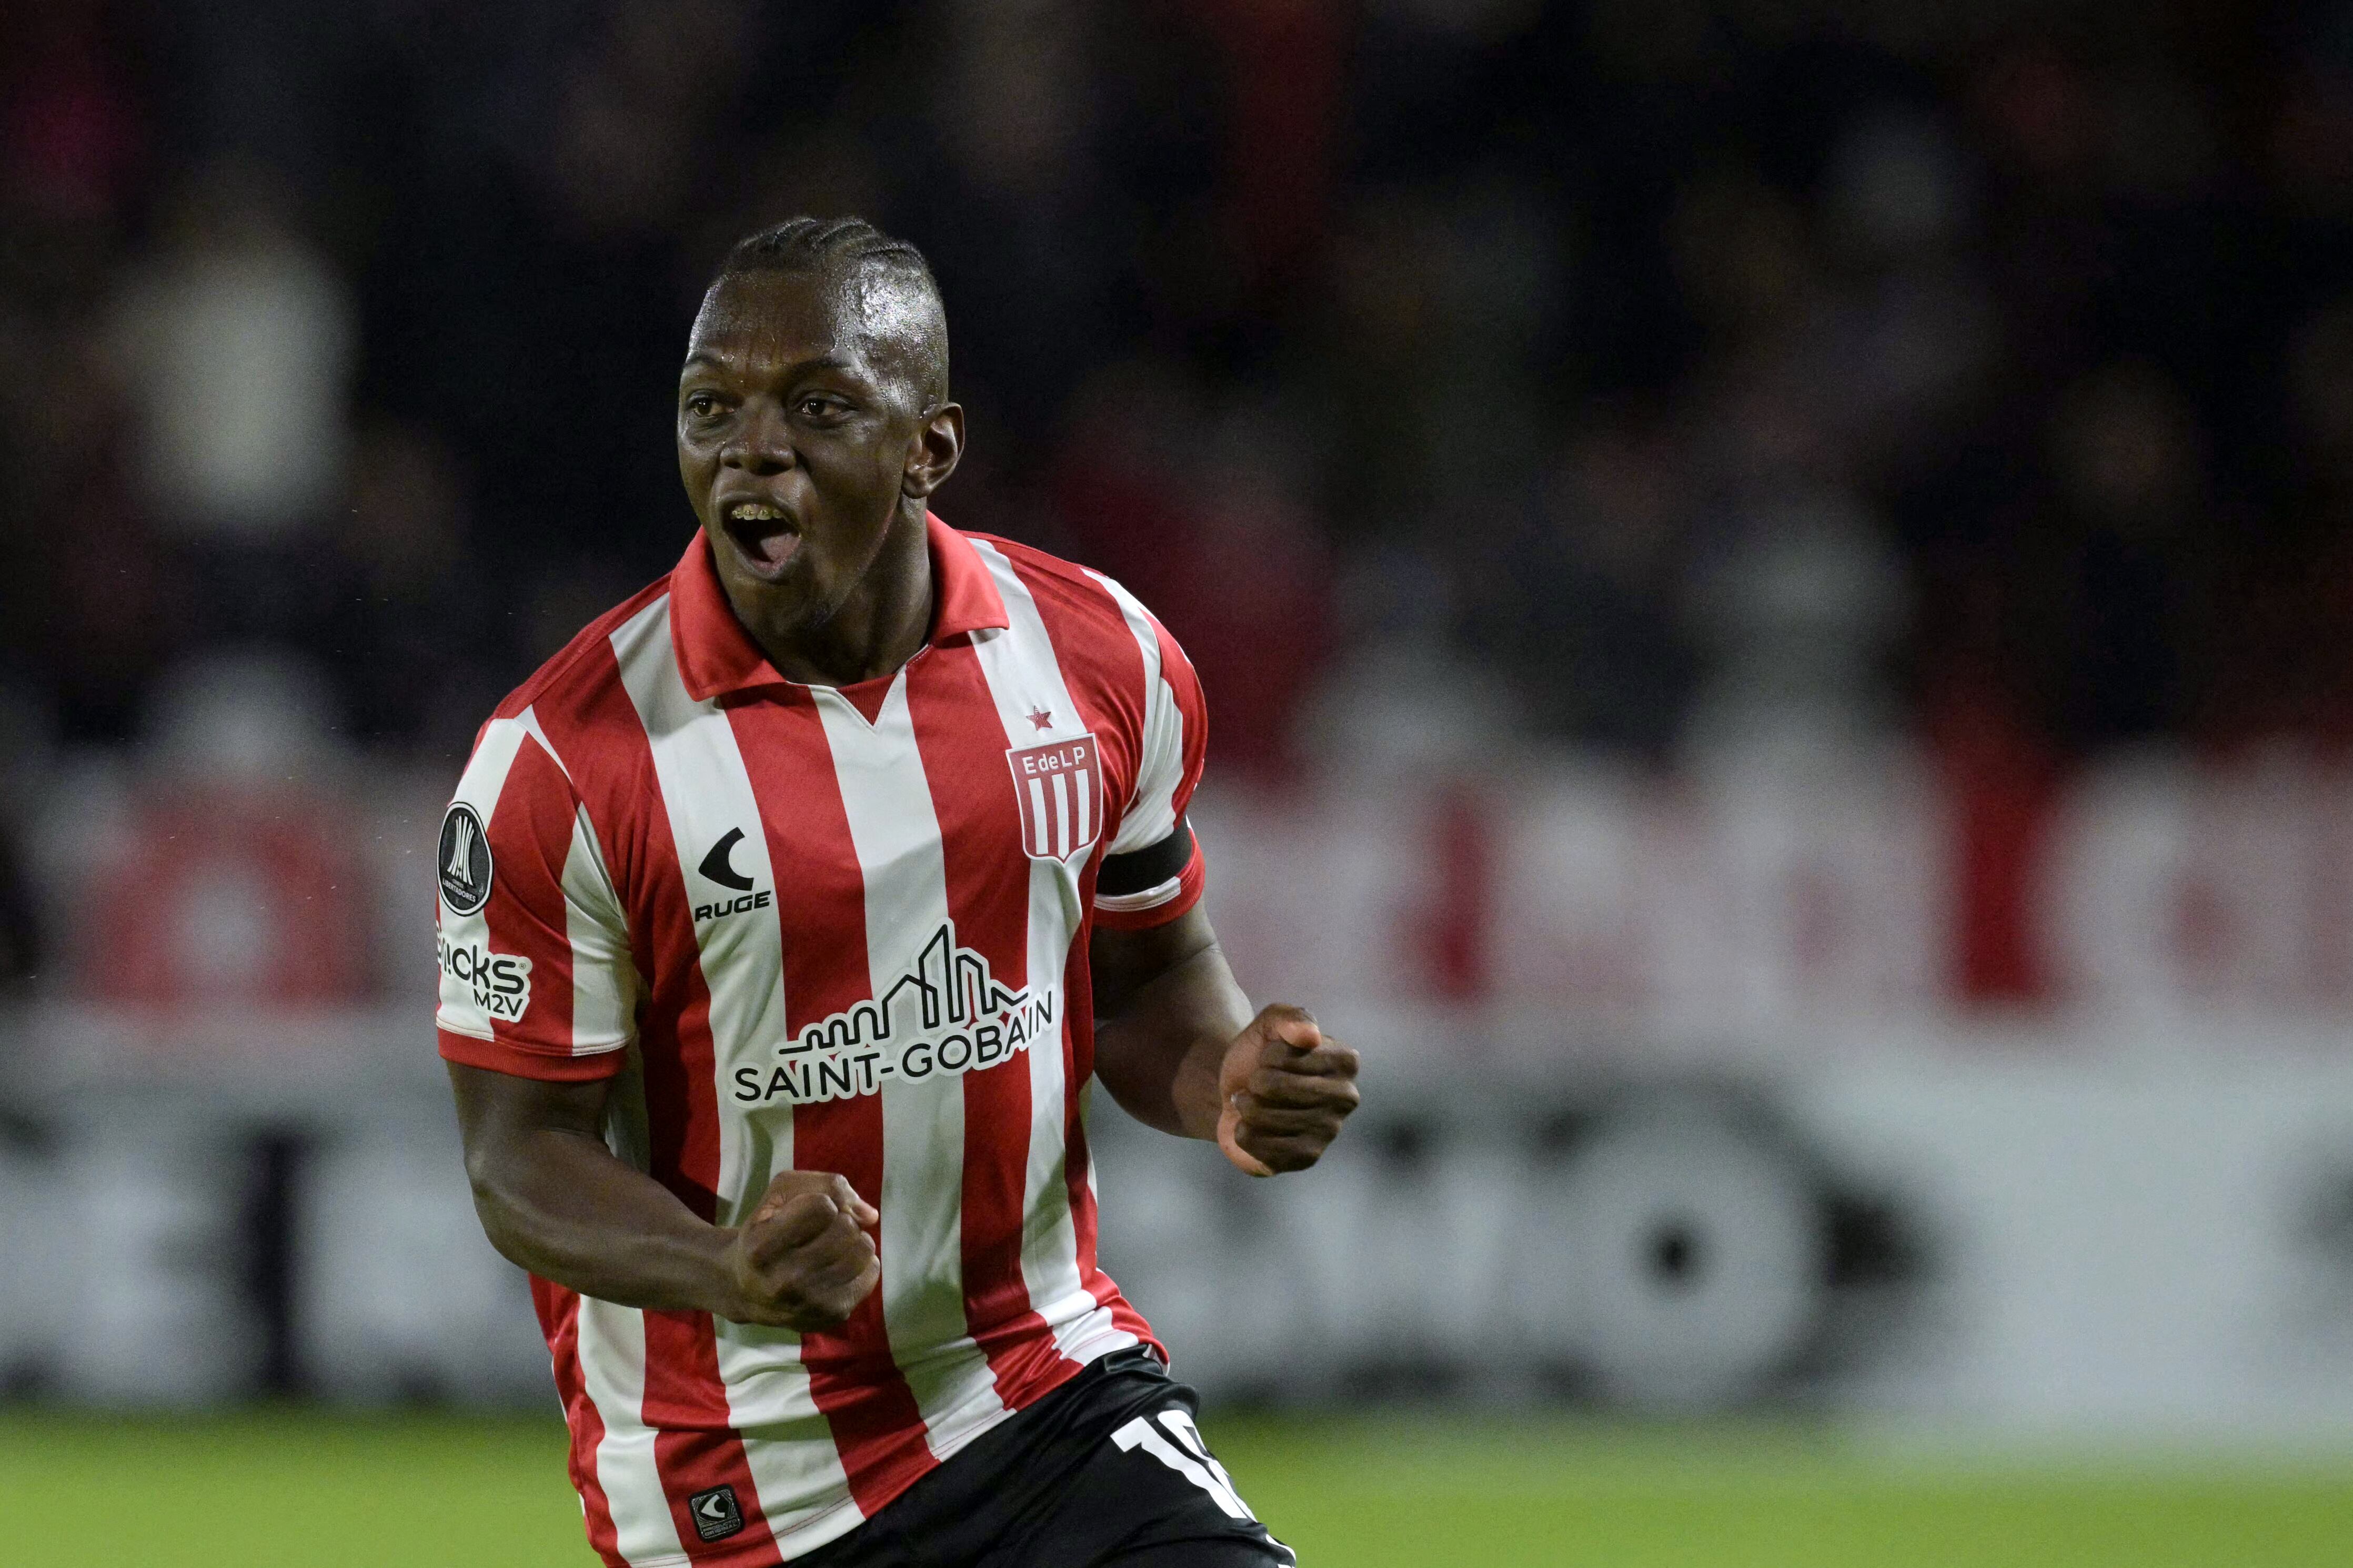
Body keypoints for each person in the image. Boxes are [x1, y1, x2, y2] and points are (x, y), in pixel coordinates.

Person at [435, 216, 1362, 1568]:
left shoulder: (1101, 659)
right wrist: (727, 1266)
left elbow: (1149, 984)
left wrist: (1227, 1077)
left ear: (930, 446)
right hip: (751, 1480)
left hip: (1044, 1386)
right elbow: (517, 1163)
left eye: (817, 405)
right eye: (712, 407)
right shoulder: (560, 765)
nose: (752, 446)